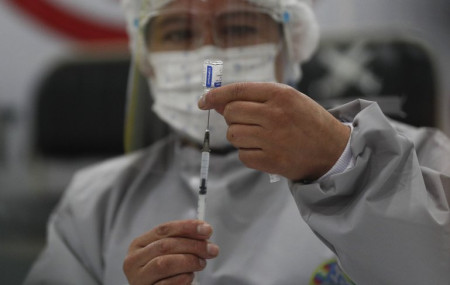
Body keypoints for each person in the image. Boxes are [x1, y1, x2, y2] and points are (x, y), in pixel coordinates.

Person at [25, 0, 450, 284]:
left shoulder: (415, 160)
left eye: (240, 26)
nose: (208, 51)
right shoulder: (96, 203)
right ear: (146, 59)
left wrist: (343, 164)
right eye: (176, 33)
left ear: (291, 46)